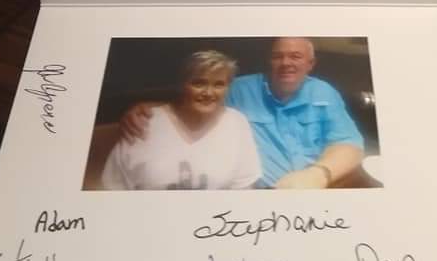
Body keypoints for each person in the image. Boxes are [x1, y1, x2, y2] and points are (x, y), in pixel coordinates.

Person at [121, 37, 364, 188]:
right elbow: (197, 99)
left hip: (316, 189)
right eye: (278, 56)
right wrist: (147, 108)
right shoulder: (240, 89)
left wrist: (317, 174)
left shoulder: (324, 92)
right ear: (269, 61)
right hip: (258, 195)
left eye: (296, 57)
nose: (286, 63)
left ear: (310, 64)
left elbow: (349, 143)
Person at [101, 50, 261, 190]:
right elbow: (114, 187)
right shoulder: (144, 121)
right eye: (199, 83)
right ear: (182, 85)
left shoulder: (236, 122)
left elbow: (243, 188)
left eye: (218, 84)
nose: (208, 92)